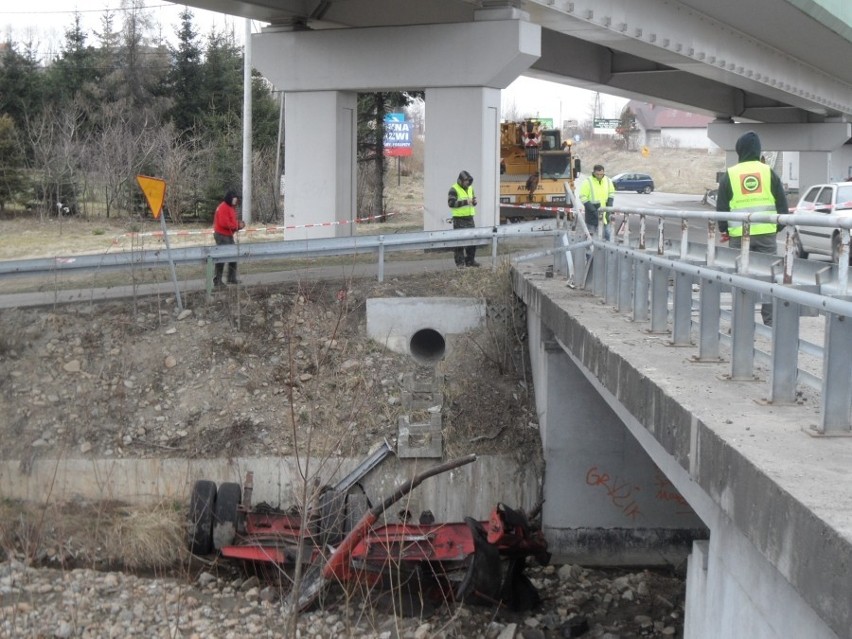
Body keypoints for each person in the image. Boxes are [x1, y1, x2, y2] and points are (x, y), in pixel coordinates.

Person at [717, 131, 789, 326]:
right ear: (758, 151)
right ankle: (771, 322)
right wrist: (776, 228)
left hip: (739, 236)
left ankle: (740, 322)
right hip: (766, 235)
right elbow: (783, 208)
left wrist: (725, 229)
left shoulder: (730, 174)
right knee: (769, 278)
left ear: (740, 150)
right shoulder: (769, 172)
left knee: (740, 278)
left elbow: (721, 208)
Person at [212, 189, 245, 286]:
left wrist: (238, 225)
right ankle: (217, 280)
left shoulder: (230, 207)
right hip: (222, 235)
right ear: (229, 198)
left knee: (233, 255)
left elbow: (231, 222)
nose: (236, 201)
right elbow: (224, 223)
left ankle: (231, 278)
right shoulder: (223, 207)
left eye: (236, 199)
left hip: (228, 235)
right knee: (221, 257)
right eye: (234, 199)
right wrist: (237, 226)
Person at [448, 170, 480, 268]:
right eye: (466, 180)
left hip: (470, 218)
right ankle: (460, 263)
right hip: (459, 219)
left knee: (472, 240)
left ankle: (470, 261)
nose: (467, 182)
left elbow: (473, 200)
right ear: (460, 180)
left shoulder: (471, 188)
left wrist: (474, 202)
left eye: (469, 180)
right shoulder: (454, 189)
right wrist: (466, 202)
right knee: (459, 242)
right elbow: (451, 203)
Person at [578, 164, 616, 240]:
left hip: (605, 214)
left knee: (608, 236)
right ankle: (588, 251)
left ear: (603, 173)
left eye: (601, 174)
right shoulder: (588, 182)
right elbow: (583, 197)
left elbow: (611, 193)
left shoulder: (608, 181)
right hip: (592, 215)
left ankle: (607, 251)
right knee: (590, 237)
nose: (599, 176)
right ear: (594, 173)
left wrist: (609, 206)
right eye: (597, 174)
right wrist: (593, 210)